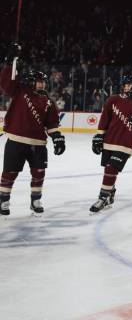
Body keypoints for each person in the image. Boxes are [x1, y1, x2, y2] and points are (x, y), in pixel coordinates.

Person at [0, 44, 65, 217]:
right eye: (39, 81)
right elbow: (6, 83)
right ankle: (4, 200)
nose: (42, 84)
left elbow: (51, 124)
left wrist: (57, 137)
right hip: (16, 141)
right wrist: (9, 63)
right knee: (10, 172)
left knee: (39, 173)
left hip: (38, 143)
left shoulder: (48, 102)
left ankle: (35, 199)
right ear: (31, 81)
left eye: (44, 81)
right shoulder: (19, 91)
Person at [89, 75, 132, 214]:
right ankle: (110, 194)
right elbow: (104, 119)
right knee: (108, 169)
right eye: (126, 85)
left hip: (126, 143)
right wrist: (99, 135)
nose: (128, 87)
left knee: (111, 168)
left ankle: (102, 198)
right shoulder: (113, 99)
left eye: (130, 85)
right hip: (109, 141)